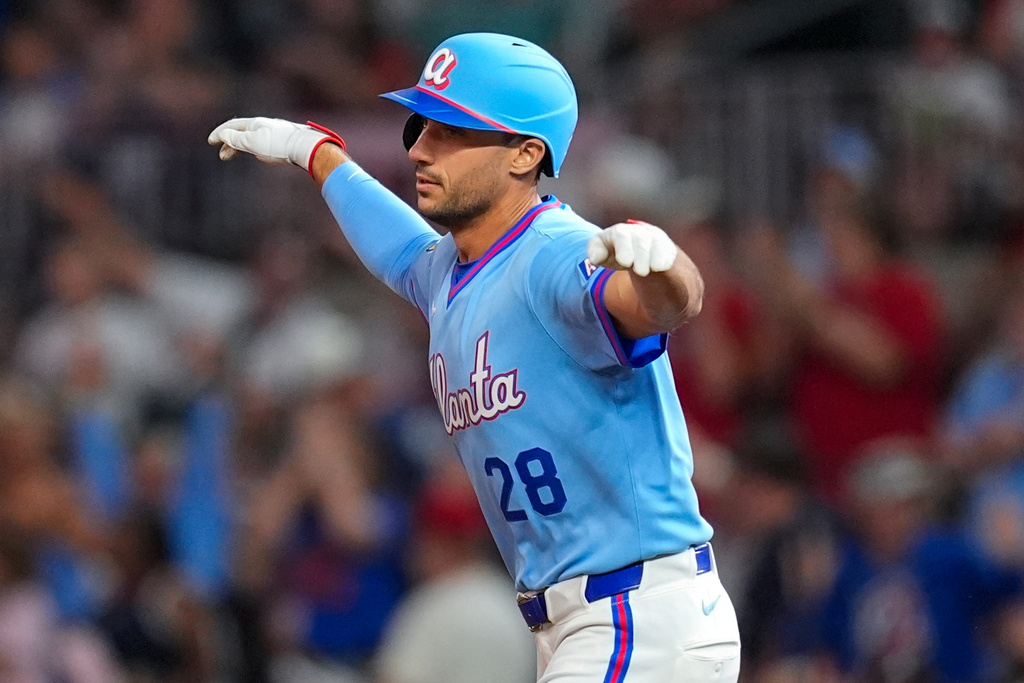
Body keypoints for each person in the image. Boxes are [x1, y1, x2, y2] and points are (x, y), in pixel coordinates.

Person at [208, 32, 740, 682]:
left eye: (454, 131)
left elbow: (657, 303)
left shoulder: (553, 253)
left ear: (525, 152)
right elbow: (397, 245)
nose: (421, 147)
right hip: (588, 621)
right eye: (422, 124)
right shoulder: (451, 270)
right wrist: (314, 152)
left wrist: (668, 269)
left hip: (639, 614)